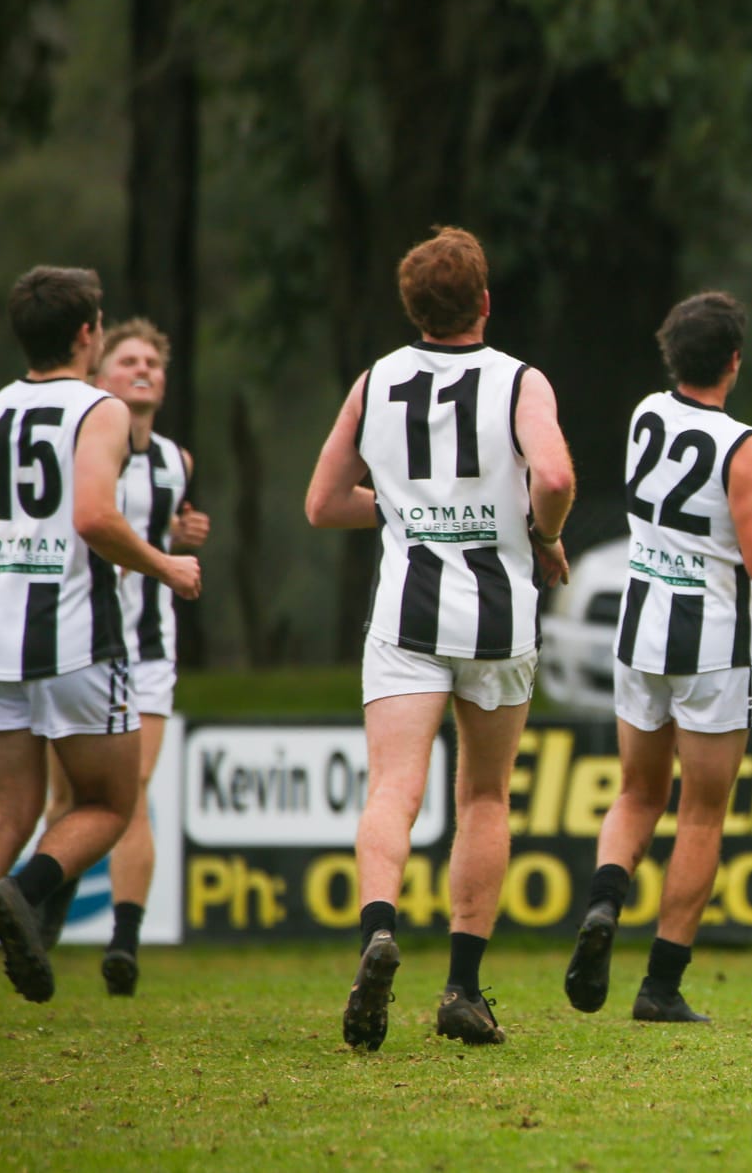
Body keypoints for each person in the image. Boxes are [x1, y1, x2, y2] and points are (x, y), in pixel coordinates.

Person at [304, 226, 575, 1049]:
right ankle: (462, 986)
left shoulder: (375, 381)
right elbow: (555, 476)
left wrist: (400, 507)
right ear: (485, 301)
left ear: (412, 307)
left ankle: (378, 931)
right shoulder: (519, 380)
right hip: (498, 617)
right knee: (483, 796)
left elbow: (323, 504)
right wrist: (542, 532)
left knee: (393, 789)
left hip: (406, 615)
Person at [562, 291, 752, 1024]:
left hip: (639, 631)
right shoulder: (741, 445)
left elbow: (736, 448)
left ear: (671, 355)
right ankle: (660, 986)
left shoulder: (646, 414)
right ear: (735, 361)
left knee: (636, 794)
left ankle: (604, 904)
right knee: (700, 815)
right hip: (710, 645)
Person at [0, 267, 201, 1004]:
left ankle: (18, 896)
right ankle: (23, 895)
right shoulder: (99, 409)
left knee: (13, 809)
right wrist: (166, 565)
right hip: (80, 639)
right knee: (111, 804)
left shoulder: (1, 407)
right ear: (88, 334)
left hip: (3, 639)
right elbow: (91, 515)